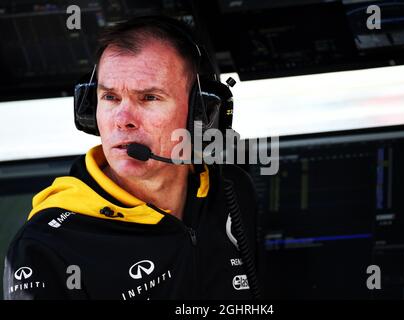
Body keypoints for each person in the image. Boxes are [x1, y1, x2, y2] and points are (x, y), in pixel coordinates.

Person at [3, 15, 258, 300]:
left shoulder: (231, 190)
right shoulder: (45, 246)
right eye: (110, 97)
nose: (123, 120)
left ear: (201, 114)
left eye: (149, 98)